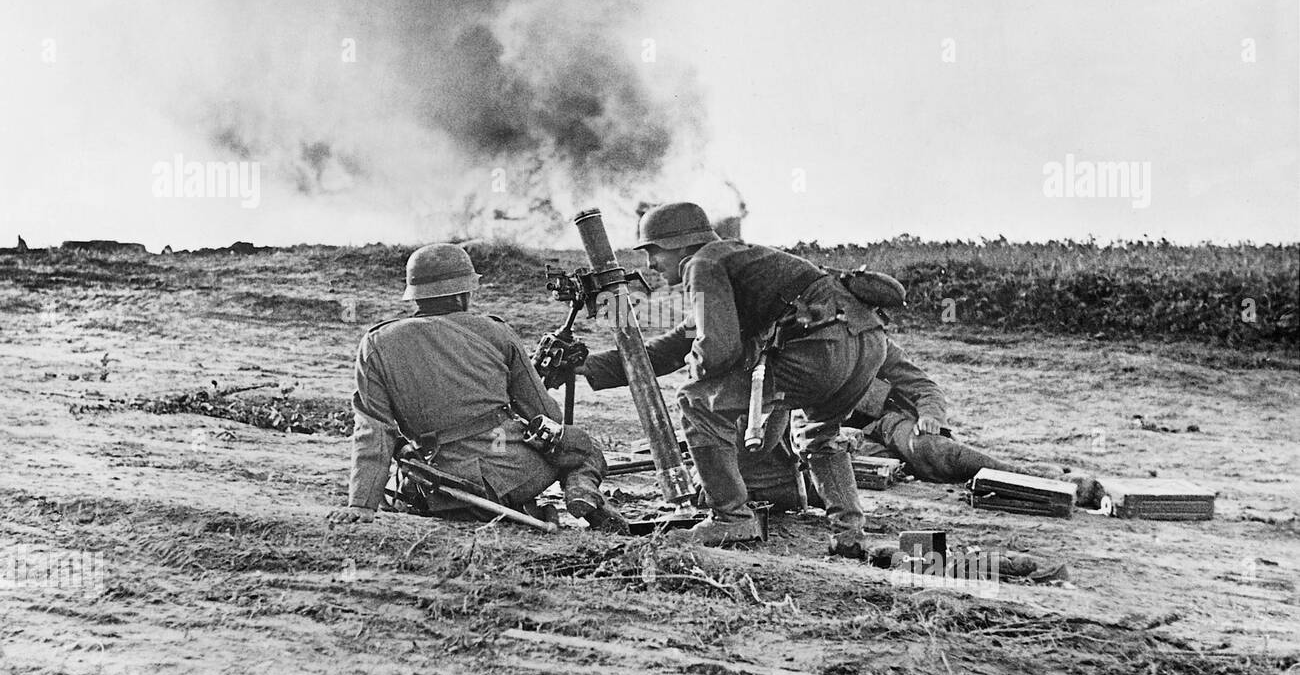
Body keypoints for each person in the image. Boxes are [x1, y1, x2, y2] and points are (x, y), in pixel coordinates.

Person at [581, 202, 888, 554]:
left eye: (653, 252)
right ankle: (849, 535)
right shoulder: (737, 259)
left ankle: (730, 517)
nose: (650, 265)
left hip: (820, 348)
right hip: (867, 345)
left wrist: (700, 373)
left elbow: (718, 349)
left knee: (697, 401)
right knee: (820, 434)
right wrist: (592, 366)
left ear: (679, 244)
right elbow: (680, 342)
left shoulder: (703, 263)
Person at [326, 244, 626, 532]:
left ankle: (508, 509)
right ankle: (582, 493)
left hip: (435, 486)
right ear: (466, 291)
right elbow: (546, 416)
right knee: (582, 446)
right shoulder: (496, 331)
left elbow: (374, 430)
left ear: (414, 296)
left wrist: (361, 505)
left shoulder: (377, 344)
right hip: (509, 476)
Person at [735, 337, 1103, 511]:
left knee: (936, 452)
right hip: (837, 438)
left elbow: (923, 387)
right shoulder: (794, 351)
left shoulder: (873, 345)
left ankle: (1048, 482)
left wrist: (931, 416)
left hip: (887, 425)